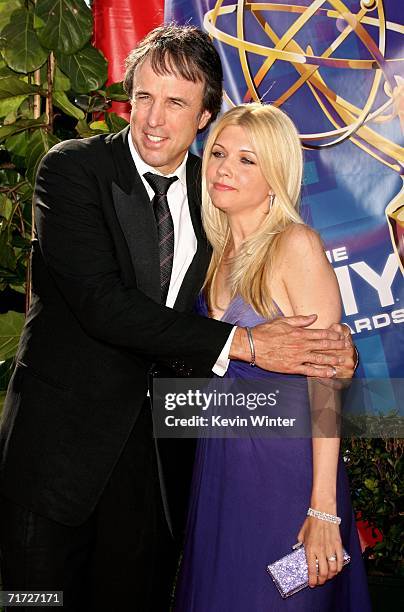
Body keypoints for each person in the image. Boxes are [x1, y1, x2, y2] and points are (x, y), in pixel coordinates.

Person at [0, 26, 355, 612]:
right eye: (142, 96)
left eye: (176, 103)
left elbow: (288, 297)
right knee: (32, 602)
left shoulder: (215, 192)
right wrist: (245, 344)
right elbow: (103, 306)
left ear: (204, 116)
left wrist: (333, 349)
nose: (154, 119)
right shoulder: (72, 171)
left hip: (164, 474)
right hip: (56, 464)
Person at [174, 103, 371, 611]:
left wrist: (323, 509)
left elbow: (327, 381)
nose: (223, 169)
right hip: (221, 470)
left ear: (275, 177)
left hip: (287, 476)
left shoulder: (295, 246)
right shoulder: (212, 254)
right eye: (218, 153)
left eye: (247, 160)